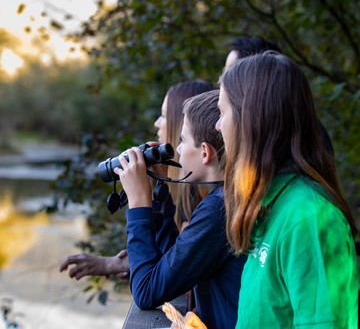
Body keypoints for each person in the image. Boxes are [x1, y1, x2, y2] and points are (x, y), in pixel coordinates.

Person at [174, 51, 358, 328]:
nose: (217, 125)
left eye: (223, 112)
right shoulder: (267, 206)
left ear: (251, 120)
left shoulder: (309, 220)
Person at [114, 90, 246, 329]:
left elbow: (146, 292)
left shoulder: (219, 207)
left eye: (183, 140)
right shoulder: (228, 196)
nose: (177, 148)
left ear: (205, 152)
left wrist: (138, 204)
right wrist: (159, 191)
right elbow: (172, 264)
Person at [59, 79, 214, 280]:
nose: (157, 123)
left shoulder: (201, 200)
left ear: (181, 121)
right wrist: (117, 263)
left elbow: (155, 283)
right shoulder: (184, 190)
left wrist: (140, 201)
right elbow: (173, 259)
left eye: (164, 115)